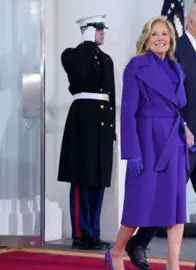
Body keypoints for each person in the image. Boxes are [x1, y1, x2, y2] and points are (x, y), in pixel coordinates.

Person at [125, 3, 196, 270]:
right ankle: (138, 242)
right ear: (191, 22)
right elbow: (168, 98)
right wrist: (181, 127)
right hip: (177, 140)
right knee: (165, 198)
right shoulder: (175, 51)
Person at [104, 16, 192, 270]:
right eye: (155, 34)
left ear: (171, 39)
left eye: (165, 34)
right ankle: (117, 252)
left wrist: (185, 128)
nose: (160, 38)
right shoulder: (136, 67)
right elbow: (128, 112)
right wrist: (132, 151)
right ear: (146, 39)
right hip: (148, 143)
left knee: (175, 206)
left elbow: (176, 108)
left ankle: (172, 264)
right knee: (140, 204)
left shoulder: (177, 69)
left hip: (173, 143)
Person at [57, 14, 116, 250]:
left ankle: (94, 231)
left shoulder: (107, 59)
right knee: (82, 179)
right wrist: (87, 43)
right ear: (87, 30)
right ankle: (81, 234)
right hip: (83, 121)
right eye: (98, 29)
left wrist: (112, 127)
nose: (103, 33)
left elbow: (111, 95)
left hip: (102, 124)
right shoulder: (73, 54)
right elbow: (79, 73)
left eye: (102, 29)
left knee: (98, 180)